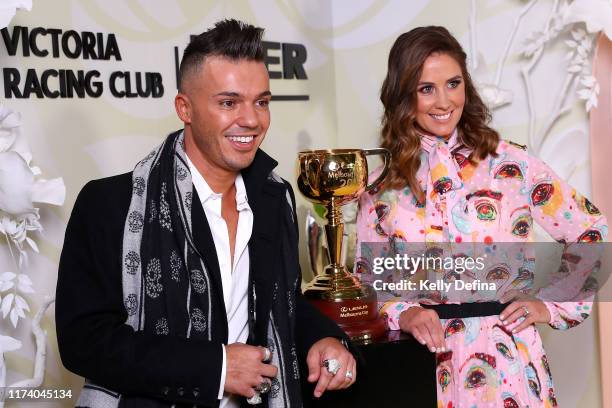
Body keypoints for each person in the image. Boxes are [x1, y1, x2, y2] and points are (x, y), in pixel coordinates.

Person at [56, 19, 356, 408]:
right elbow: (85, 342)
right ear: (185, 108)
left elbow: (279, 300)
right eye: (228, 103)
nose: (251, 120)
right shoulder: (109, 204)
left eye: (261, 102)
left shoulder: (273, 196)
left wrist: (325, 337)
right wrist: (215, 368)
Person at [354, 26, 607, 407]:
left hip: (509, 366)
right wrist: (404, 313)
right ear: (403, 94)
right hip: (421, 368)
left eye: (453, 83)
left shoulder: (512, 166)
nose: (443, 101)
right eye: (426, 88)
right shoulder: (380, 187)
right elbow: (369, 279)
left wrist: (552, 303)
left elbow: (593, 231)